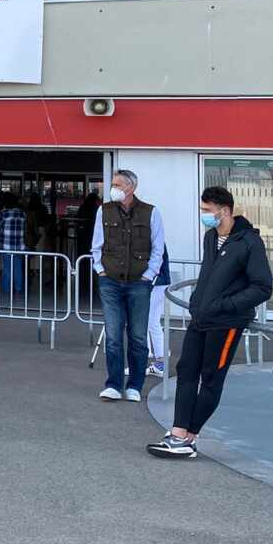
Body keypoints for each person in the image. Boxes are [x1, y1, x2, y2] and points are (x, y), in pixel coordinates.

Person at [149, 186, 273, 460]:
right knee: (186, 371)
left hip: (227, 322)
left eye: (207, 210)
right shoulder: (210, 238)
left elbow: (262, 287)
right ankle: (178, 434)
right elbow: (208, 275)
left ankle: (188, 437)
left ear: (224, 211)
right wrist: (198, 302)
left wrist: (224, 305)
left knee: (211, 378)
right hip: (201, 318)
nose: (203, 215)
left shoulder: (249, 243)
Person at [90, 168, 165, 403]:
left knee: (138, 337)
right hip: (110, 281)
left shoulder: (151, 213)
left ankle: (134, 385)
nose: (112, 188)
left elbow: (158, 248)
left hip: (139, 284)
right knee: (113, 335)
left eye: (117, 184)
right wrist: (100, 271)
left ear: (131, 188)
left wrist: (148, 275)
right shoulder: (104, 211)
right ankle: (113, 384)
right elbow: (96, 246)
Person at [0, 192, 28, 296]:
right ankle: (18, 289)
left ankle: (7, 289)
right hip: (20, 246)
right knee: (18, 268)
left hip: (7, 246)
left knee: (7, 268)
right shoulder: (22, 213)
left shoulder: (4, 213)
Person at [147, 245, 173, 377]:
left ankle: (153, 363)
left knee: (146, 321)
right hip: (157, 282)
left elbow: (155, 262)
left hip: (155, 283)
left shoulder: (153, 236)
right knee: (152, 322)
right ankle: (160, 363)